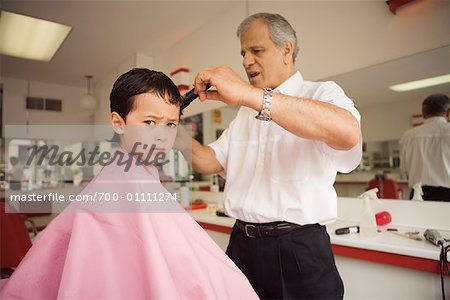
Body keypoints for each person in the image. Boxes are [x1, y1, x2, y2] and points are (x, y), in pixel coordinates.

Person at [0, 69, 258, 299]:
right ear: (117, 123)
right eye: (149, 122)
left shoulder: (131, 175)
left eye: (171, 124)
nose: (161, 134)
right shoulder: (126, 183)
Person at [183, 13, 362, 299]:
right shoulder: (244, 113)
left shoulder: (320, 93)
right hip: (241, 244)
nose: (246, 61)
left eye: (256, 50)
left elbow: (348, 133)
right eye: (243, 53)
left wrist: (246, 94)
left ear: (286, 50)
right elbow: (210, 160)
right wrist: (169, 130)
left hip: (299, 249)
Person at [399, 93, 450, 201]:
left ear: (423, 113)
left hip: (419, 195)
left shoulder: (408, 136)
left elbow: (404, 171)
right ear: (448, 111)